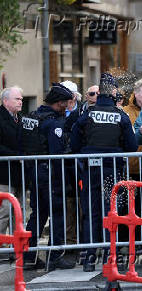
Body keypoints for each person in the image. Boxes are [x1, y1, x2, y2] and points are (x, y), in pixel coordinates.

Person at [71, 73, 138, 272]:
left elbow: (74, 144)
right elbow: (132, 146)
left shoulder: (87, 114)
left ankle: (89, 258)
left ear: (99, 91)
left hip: (90, 171)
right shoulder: (121, 116)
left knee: (91, 211)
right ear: (114, 92)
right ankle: (112, 256)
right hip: (113, 172)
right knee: (113, 212)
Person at [22, 83, 76, 271]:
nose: (68, 107)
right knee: (58, 215)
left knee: (37, 215)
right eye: (66, 104)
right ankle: (54, 257)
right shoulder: (54, 123)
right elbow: (57, 152)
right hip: (50, 175)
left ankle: (28, 257)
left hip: (34, 173)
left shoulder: (32, 116)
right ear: (59, 103)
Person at [0, 87, 23, 240]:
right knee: (5, 211)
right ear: (5, 101)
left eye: (21, 99)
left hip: (19, 173)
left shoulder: (20, 118)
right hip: (3, 173)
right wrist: (17, 155)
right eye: (17, 99)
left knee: (19, 212)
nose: (21, 102)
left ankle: (17, 249)